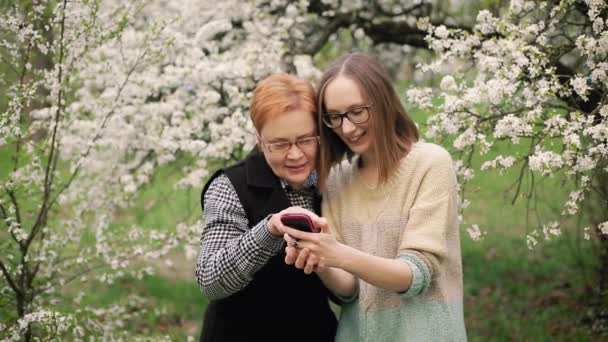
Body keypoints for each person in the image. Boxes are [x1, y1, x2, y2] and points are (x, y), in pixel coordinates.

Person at [279, 53, 467, 341]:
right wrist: (319, 258)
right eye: (335, 117)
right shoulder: (338, 178)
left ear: (383, 102)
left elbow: (415, 275)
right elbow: (350, 290)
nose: (348, 128)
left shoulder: (431, 164)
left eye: (357, 111)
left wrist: (340, 254)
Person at [195, 73, 337, 342]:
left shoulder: (332, 180)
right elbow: (210, 280)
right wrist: (269, 230)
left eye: (306, 140)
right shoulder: (229, 186)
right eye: (280, 144)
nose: (295, 155)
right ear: (259, 140)